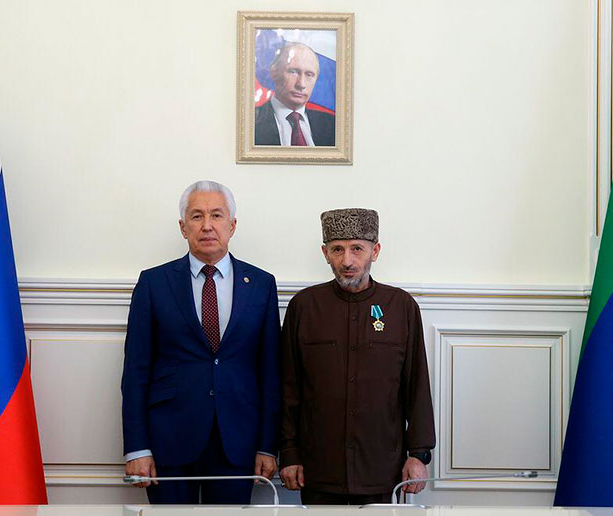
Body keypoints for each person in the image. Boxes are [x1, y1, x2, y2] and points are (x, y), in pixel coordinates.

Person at [121, 180, 280, 504]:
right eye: (197, 216)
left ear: (232, 225)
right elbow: (136, 370)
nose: (207, 225)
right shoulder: (153, 283)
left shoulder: (261, 284)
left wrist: (267, 445)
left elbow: (271, 372)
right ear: (183, 227)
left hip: (238, 441)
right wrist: (137, 447)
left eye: (216, 215)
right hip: (168, 441)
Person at [279, 208, 435, 505]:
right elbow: (289, 388)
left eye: (357, 249)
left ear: (375, 251)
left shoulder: (401, 307)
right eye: (337, 249)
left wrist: (418, 454)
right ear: (325, 253)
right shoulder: (304, 307)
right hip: (318, 467)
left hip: (381, 468)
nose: (347, 261)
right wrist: (289, 452)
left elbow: (416, 387)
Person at [254, 42, 335, 147]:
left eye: (309, 75)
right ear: (274, 72)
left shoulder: (332, 126)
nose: (301, 84)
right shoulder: (251, 122)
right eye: (293, 72)